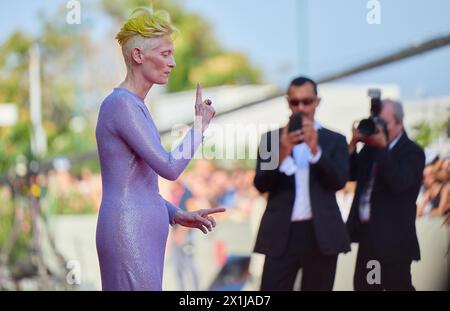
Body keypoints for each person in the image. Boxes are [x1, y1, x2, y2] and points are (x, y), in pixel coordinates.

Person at [95, 7, 224, 291]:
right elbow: (169, 167)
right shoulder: (121, 105)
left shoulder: (134, 106)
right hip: (128, 230)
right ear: (138, 56)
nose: (173, 63)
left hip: (139, 227)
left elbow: (135, 184)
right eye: (165, 54)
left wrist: (175, 213)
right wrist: (200, 126)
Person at [253, 76, 350, 291]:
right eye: (295, 102)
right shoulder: (271, 140)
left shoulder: (335, 139)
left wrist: (316, 151)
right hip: (281, 234)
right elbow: (261, 184)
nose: (301, 108)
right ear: (288, 102)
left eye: (307, 101)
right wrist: (282, 152)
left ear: (317, 101)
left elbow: (339, 181)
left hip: (321, 234)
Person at [347, 99, 425, 291]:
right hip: (368, 239)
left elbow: (399, 183)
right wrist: (352, 146)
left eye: (383, 122)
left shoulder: (412, 152)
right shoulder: (369, 150)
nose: (379, 127)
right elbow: (350, 175)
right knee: (365, 287)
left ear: (399, 122)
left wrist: (382, 149)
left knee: (397, 286)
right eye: (376, 122)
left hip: (394, 242)